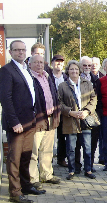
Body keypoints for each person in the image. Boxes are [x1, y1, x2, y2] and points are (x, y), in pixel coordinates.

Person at [0, 40, 45, 203]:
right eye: (17, 50)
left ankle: (26, 186)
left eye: (23, 50)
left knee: (26, 156)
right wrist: (14, 122)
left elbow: (32, 94)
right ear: (10, 52)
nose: (20, 52)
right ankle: (15, 192)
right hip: (17, 124)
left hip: (29, 122)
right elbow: (5, 98)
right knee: (14, 158)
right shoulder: (6, 71)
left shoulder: (26, 70)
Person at [58, 60, 97, 180]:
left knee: (87, 146)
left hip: (85, 119)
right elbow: (59, 103)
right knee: (71, 147)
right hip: (70, 120)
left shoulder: (87, 83)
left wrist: (87, 111)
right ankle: (72, 170)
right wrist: (70, 112)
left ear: (79, 70)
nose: (74, 71)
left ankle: (88, 169)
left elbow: (93, 99)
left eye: (76, 69)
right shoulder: (62, 86)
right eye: (71, 69)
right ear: (67, 71)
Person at [28, 55, 61, 190]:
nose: (39, 65)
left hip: (51, 117)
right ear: (30, 64)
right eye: (36, 62)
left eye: (41, 62)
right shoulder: (29, 77)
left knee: (47, 149)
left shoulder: (47, 76)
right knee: (34, 151)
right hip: (38, 119)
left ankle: (46, 174)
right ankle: (33, 178)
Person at [50, 55, 69, 167]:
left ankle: (61, 158)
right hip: (51, 111)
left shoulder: (66, 77)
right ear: (52, 63)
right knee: (49, 136)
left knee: (62, 136)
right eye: (57, 62)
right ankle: (47, 160)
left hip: (63, 111)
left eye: (61, 62)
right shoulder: (47, 76)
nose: (59, 64)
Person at [91, 57, 105, 165]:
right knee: (92, 136)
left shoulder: (103, 78)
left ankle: (102, 157)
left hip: (101, 110)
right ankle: (90, 158)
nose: (94, 65)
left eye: (96, 64)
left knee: (102, 135)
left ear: (99, 65)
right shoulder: (85, 77)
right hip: (90, 111)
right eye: (92, 63)